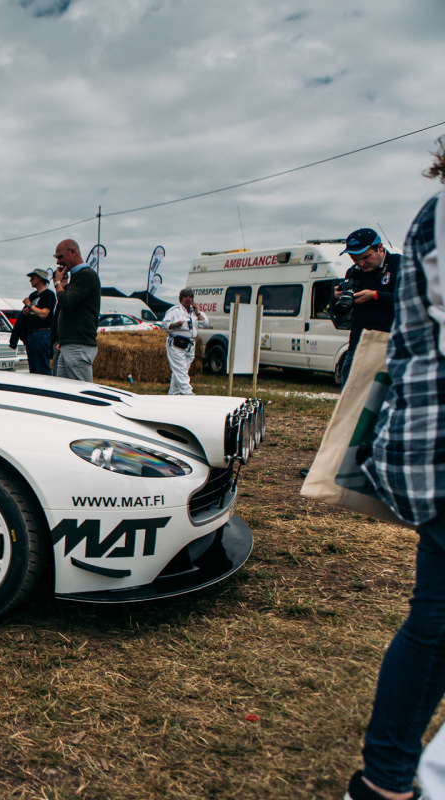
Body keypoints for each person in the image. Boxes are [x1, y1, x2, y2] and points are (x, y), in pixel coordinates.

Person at [345, 141, 445, 800]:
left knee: (435, 621)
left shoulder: (417, 238)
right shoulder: (435, 222)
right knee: (433, 622)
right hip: (429, 434)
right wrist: (359, 298)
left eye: (367, 255)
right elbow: (350, 312)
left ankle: (385, 781)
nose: (363, 265)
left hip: (427, 438)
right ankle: (386, 778)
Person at [334, 227, 399, 386]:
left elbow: (410, 300)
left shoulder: (400, 265)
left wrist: (375, 296)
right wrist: (338, 297)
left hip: (392, 344)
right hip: (359, 344)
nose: (361, 263)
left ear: (380, 248)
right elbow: (339, 311)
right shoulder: (353, 272)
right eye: (354, 259)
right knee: (350, 394)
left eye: (366, 257)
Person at [52, 239, 101, 382]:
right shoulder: (79, 276)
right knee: (63, 391)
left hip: (78, 346)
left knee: (82, 393)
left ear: (73, 252)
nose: (58, 262)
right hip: (70, 344)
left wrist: (58, 283)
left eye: (60, 257)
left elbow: (66, 304)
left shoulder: (86, 275)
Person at [10, 268, 56, 375]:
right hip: (31, 334)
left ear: (40, 279)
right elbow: (31, 313)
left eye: (33, 278)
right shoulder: (33, 295)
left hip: (42, 334)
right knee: (33, 369)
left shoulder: (48, 295)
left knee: (42, 368)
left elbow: (44, 314)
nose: (30, 280)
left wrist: (30, 305)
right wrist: (27, 312)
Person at [163, 288, 208, 395]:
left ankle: (173, 394)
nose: (188, 299)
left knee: (179, 371)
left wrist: (197, 311)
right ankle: (188, 393)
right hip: (176, 344)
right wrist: (175, 324)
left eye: (190, 297)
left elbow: (204, 323)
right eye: (185, 297)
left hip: (190, 345)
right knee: (181, 370)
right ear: (181, 298)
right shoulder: (174, 311)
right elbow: (164, 325)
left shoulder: (195, 312)